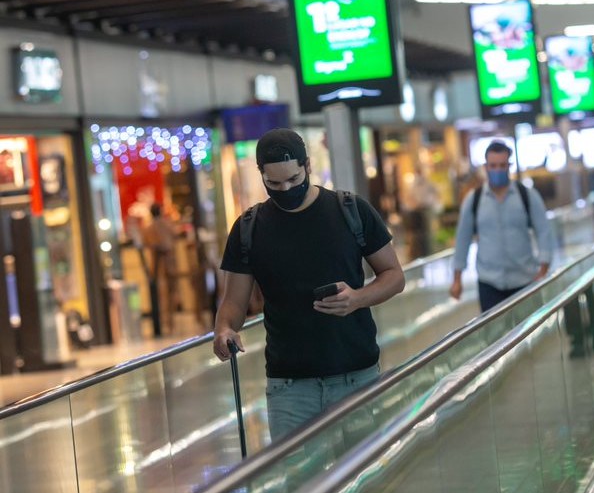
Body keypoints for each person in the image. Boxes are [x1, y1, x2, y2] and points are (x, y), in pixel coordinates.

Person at [212, 128, 405, 440]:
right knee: (296, 483)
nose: (286, 189)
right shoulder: (249, 228)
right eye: (274, 183)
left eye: (293, 179)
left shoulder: (350, 210)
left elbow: (394, 276)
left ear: (308, 166)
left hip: (355, 374)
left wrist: (356, 298)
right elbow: (233, 302)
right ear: (261, 174)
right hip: (289, 385)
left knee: (360, 477)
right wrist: (224, 330)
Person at [450, 140, 553, 312]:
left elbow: (543, 231)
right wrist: (457, 279)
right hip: (489, 284)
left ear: (509, 165)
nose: (497, 170)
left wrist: (543, 268)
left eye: (502, 165)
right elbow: (463, 239)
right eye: (493, 165)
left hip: (524, 281)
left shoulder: (526, 195)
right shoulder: (473, 200)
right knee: (496, 337)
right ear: (486, 167)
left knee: (527, 337)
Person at [143, 203, 177, 335]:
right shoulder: (166, 224)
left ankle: (165, 323)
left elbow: (145, 241)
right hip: (168, 263)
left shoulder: (149, 228)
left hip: (157, 264)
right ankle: (170, 323)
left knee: (160, 294)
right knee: (170, 292)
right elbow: (174, 235)